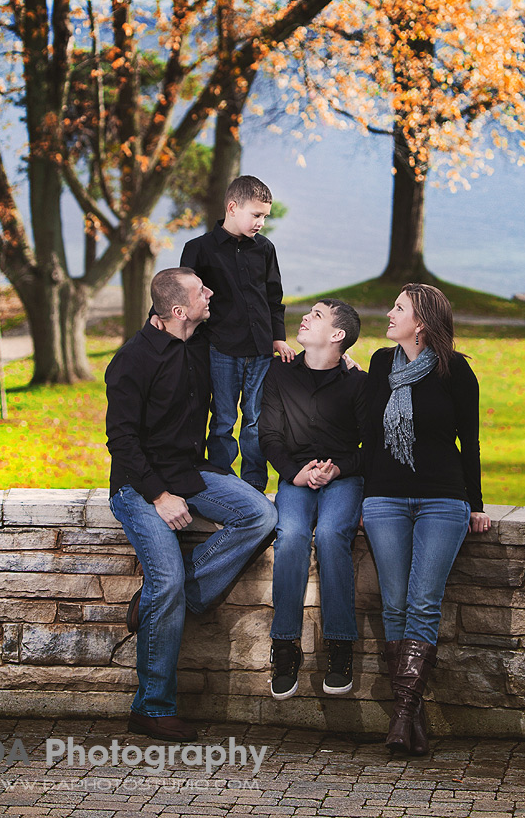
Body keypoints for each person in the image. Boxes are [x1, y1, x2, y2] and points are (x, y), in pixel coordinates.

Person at [106, 266, 278, 743]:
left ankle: (171, 598)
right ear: (178, 310)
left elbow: (251, 333)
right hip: (139, 486)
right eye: (203, 290)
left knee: (261, 513)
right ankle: (152, 708)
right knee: (166, 577)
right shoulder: (131, 361)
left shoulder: (200, 345)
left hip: (191, 470)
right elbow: (120, 441)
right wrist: (159, 496)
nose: (211, 293)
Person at [361, 283, 491, 757]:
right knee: (394, 603)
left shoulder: (456, 372)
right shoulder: (380, 363)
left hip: (441, 500)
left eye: (399, 308)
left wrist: (475, 504)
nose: (389, 313)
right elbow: (368, 437)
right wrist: (364, 496)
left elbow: (469, 444)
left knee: (421, 602)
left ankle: (400, 716)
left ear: (421, 323)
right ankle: (408, 717)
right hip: (385, 501)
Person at [259, 298, 366, 700]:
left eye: (316, 316)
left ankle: (340, 647)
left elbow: (371, 447)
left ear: (337, 336)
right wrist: (295, 473)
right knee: (290, 536)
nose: (304, 317)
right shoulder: (280, 373)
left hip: (343, 476)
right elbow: (268, 434)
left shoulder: (359, 383)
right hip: (296, 476)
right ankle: (285, 646)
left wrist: (337, 469)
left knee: (334, 535)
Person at [180, 174, 296, 492]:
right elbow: (187, 297)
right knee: (223, 418)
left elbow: (274, 297)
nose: (261, 222)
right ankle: (221, 478)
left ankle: (254, 481)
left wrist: (278, 336)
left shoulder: (265, 249)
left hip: (260, 350)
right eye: (256, 215)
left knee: (256, 418)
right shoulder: (199, 250)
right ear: (233, 207)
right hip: (221, 349)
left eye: (264, 217)